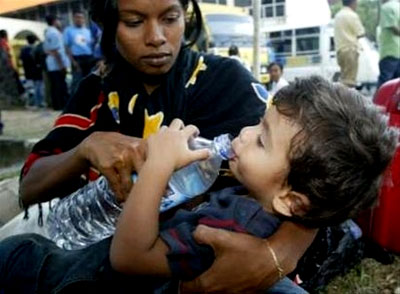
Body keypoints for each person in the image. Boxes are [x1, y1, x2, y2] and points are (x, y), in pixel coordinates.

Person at [4, 0, 317, 293]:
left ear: (185, 15)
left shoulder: (227, 84)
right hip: (83, 235)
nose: (156, 37)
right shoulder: (97, 91)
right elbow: (30, 187)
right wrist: (85, 149)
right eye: (134, 21)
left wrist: (280, 252)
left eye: (170, 18)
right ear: (110, 24)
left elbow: (321, 171)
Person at [0, 76, 398, 294]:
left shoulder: (229, 233)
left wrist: (157, 167)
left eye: (261, 138)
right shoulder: (262, 202)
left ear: (292, 200)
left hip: (75, 278)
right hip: (76, 248)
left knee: (18, 256)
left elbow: (128, 257)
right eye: (258, 123)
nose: (241, 134)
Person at [334, 0, 365, 88]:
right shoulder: (352, 15)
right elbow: (361, 33)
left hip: (340, 51)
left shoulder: (338, 16)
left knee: (344, 78)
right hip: (350, 50)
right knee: (350, 81)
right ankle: (345, 100)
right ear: (353, 3)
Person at [64, 11, 95, 94]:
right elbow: (67, 47)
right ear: (73, 19)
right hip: (77, 58)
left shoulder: (88, 31)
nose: (79, 19)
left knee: (90, 80)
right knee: (77, 81)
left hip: (89, 58)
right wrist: (73, 61)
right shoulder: (68, 31)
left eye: (81, 17)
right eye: (77, 17)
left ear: (84, 19)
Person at [44, 14, 70, 110]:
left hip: (53, 64)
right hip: (56, 64)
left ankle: (57, 105)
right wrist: (61, 65)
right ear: (54, 21)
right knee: (59, 85)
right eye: (58, 20)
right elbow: (55, 51)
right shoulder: (54, 33)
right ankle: (60, 105)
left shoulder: (49, 32)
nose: (60, 22)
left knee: (56, 85)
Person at [376, 0, 400, 90]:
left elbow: (393, 27)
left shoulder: (387, 7)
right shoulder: (398, 6)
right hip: (398, 51)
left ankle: (377, 103)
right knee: (396, 85)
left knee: (385, 83)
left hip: (389, 50)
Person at [20, 35, 45, 108]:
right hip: (37, 71)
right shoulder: (37, 48)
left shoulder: (23, 49)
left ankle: (32, 102)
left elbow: (21, 59)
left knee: (30, 88)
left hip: (27, 72)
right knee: (39, 86)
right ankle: (40, 102)